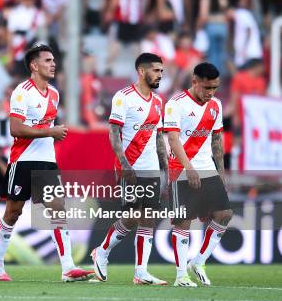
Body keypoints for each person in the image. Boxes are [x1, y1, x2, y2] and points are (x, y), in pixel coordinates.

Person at [0, 44, 94, 282]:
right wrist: (50, 132)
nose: (53, 64)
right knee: (13, 212)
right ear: (34, 66)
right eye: (47, 60)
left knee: (58, 211)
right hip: (23, 160)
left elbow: (47, 130)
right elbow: (15, 129)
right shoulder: (22, 92)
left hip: (47, 161)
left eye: (53, 60)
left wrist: (50, 133)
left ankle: (68, 267)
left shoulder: (54, 94)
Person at [90, 53, 168, 285]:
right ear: (142, 71)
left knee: (148, 218)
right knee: (133, 216)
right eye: (156, 70)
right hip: (129, 166)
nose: (160, 75)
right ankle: (102, 251)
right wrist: (124, 165)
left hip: (152, 167)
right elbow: (113, 133)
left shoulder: (158, 101)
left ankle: (141, 272)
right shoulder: (123, 97)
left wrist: (166, 169)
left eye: (162, 71)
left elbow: (158, 137)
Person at [164, 62, 232, 287]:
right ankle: (181, 275)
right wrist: (188, 168)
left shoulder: (216, 105)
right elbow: (172, 139)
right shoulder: (176, 103)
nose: (211, 93)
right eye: (207, 88)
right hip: (181, 168)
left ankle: (199, 261)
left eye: (215, 88)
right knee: (183, 221)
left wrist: (221, 173)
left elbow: (216, 140)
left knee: (224, 214)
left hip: (207, 167)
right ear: (195, 81)